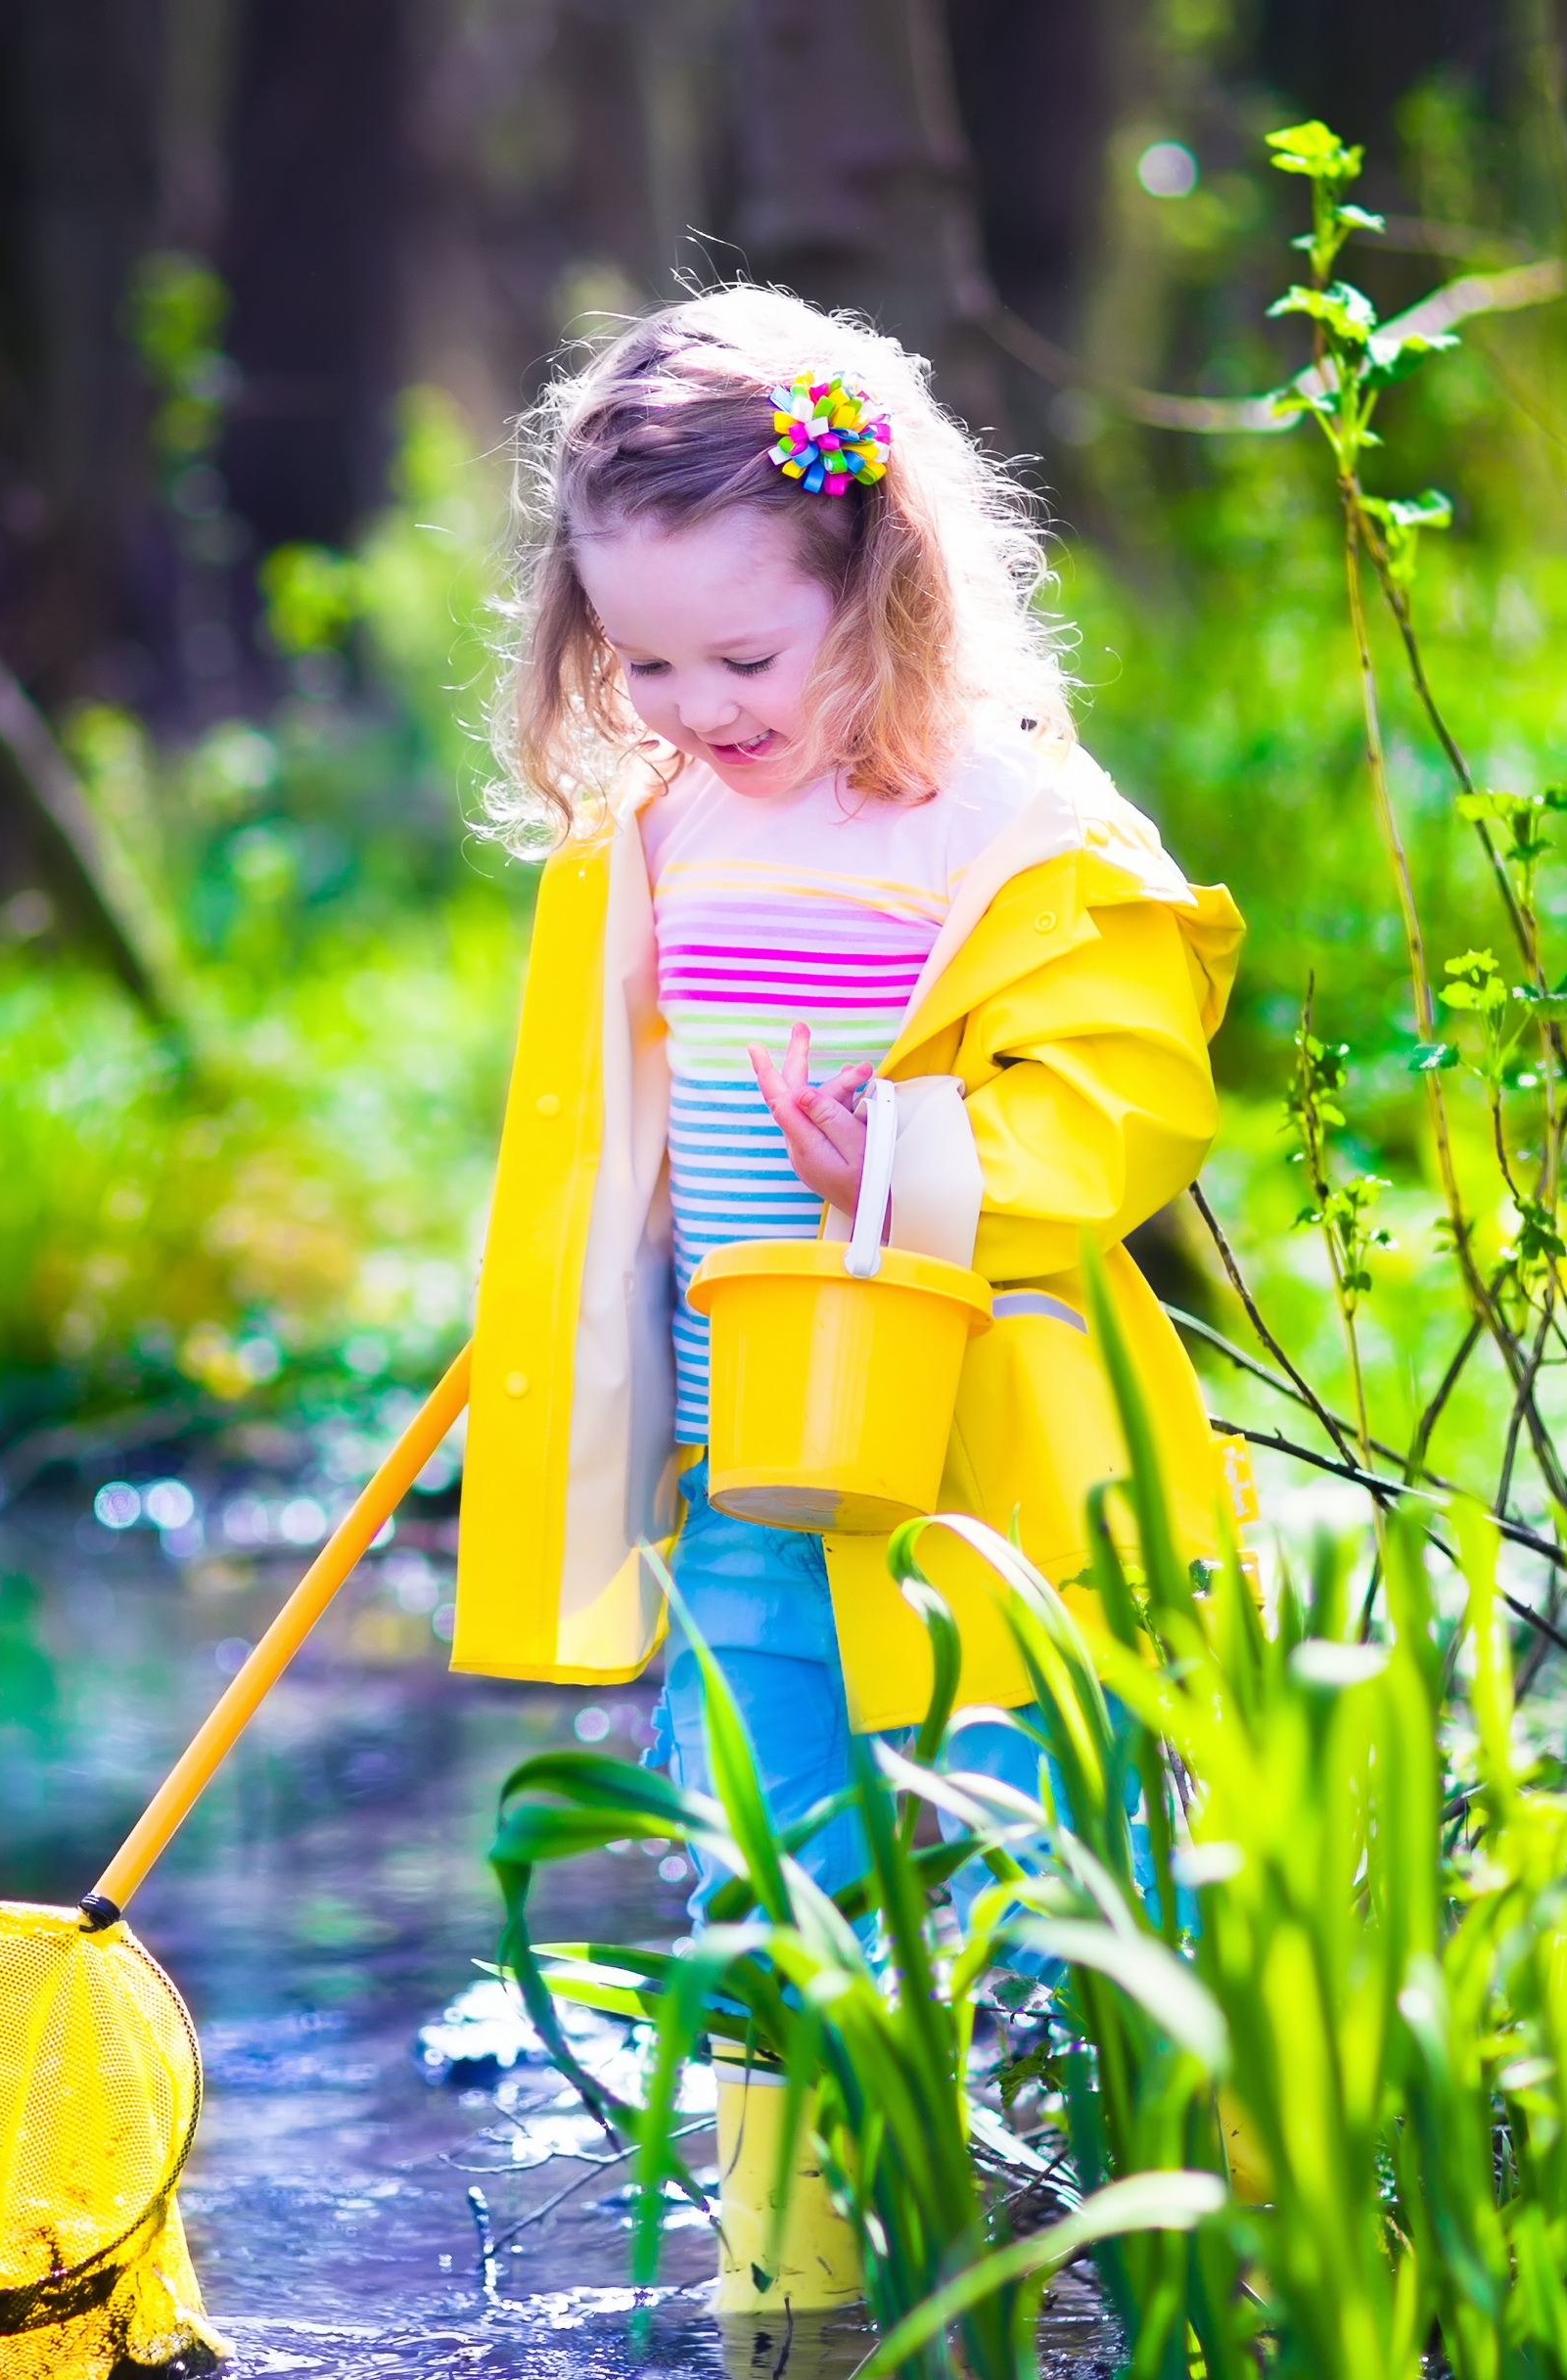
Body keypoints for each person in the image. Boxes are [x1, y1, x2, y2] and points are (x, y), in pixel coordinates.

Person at [445, 282, 1251, 1941]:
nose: (691, 705)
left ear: (880, 590)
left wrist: (911, 1155)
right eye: (641, 659)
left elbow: (1125, 1103)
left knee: (1037, 1869)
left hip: (969, 1466)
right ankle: (790, 2185)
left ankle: (1081, 2169)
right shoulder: (655, 844)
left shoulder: (1005, 828)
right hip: (737, 1467)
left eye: (743, 655)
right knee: (767, 1887)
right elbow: (624, 1136)